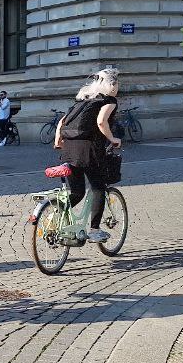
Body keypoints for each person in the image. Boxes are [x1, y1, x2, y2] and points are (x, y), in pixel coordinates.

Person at [53, 68, 122, 242]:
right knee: (98, 187)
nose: (118, 87)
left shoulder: (83, 100)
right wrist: (113, 139)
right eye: (117, 83)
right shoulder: (109, 101)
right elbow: (101, 122)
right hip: (89, 151)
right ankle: (94, 230)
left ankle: (55, 214)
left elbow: (62, 121)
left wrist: (58, 141)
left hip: (69, 149)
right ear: (112, 85)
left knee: (77, 192)